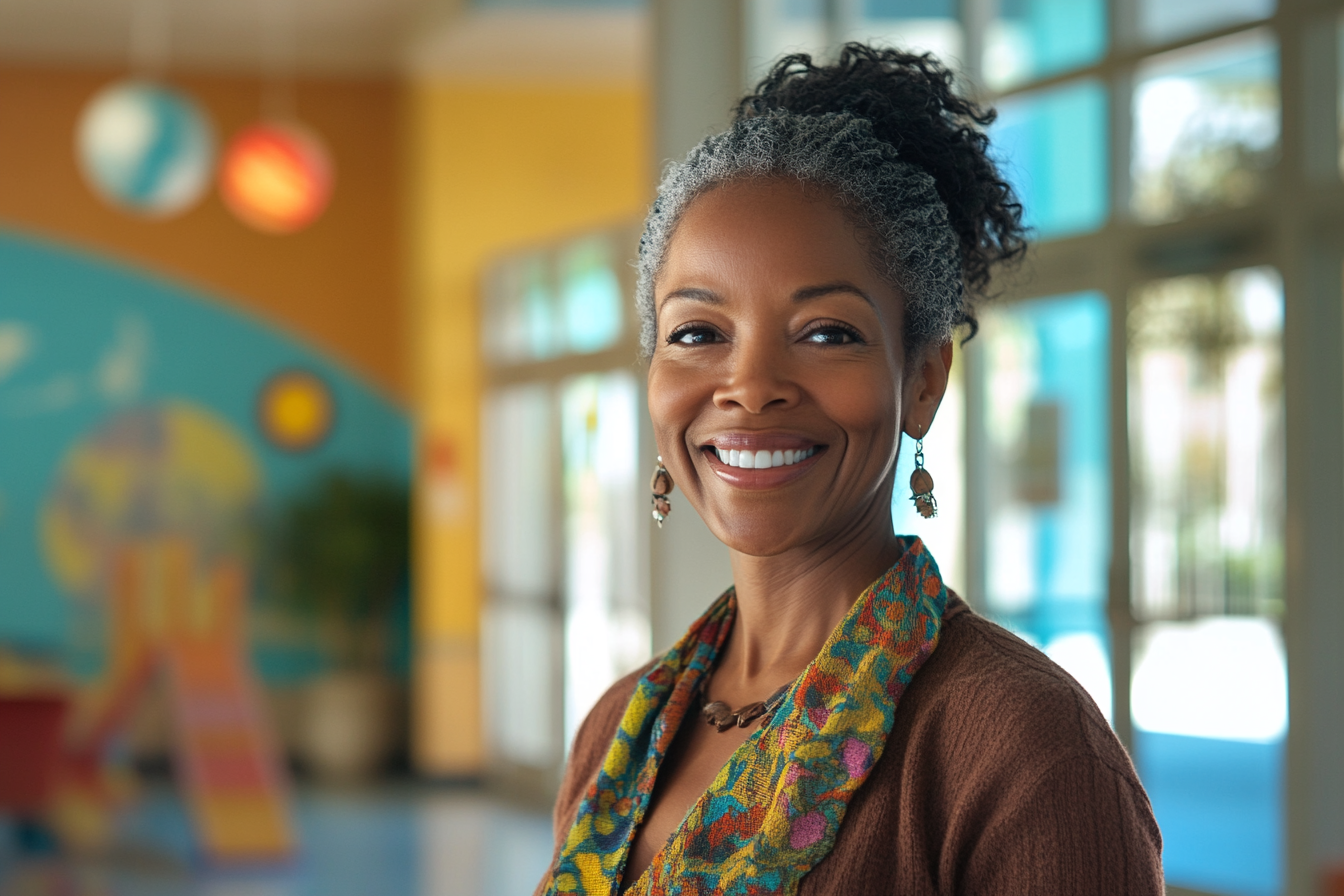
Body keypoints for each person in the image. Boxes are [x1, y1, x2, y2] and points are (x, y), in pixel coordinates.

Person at [535, 45, 1163, 896]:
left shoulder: (1021, 748)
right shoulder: (620, 725)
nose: (750, 388)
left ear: (923, 383)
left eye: (827, 332)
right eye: (697, 332)